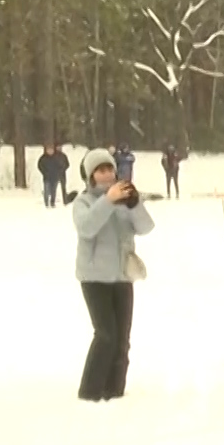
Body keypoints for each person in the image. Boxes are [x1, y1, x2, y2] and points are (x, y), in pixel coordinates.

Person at [73, 148, 154, 402]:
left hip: (121, 277)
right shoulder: (84, 202)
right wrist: (108, 200)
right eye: (100, 170)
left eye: (109, 169)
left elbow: (146, 227)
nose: (107, 174)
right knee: (105, 335)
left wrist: (134, 204)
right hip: (94, 278)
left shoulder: (123, 200)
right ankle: (90, 392)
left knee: (122, 341)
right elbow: (87, 228)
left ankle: (114, 392)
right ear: (91, 176)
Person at [37, 144, 69, 208]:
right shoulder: (43, 158)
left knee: (53, 190)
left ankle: (52, 202)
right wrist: (44, 172)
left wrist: (60, 171)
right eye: (49, 150)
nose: (50, 151)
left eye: (51, 150)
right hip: (47, 177)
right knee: (47, 190)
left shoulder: (57, 157)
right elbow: (40, 165)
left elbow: (64, 165)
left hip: (55, 176)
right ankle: (46, 202)